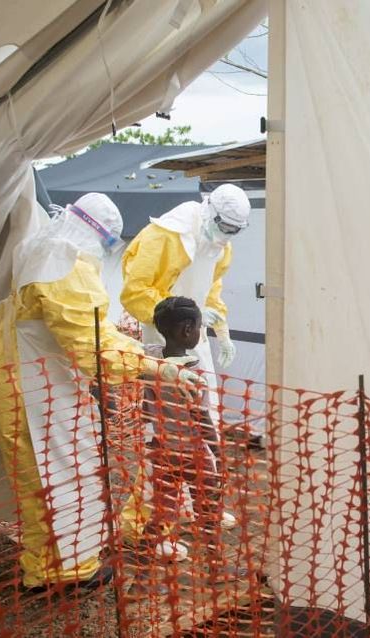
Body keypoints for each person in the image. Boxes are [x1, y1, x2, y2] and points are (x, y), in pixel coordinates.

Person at [0, 193, 201, 591]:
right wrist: (151, 365)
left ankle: (55, 565)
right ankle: (61, 574)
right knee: (59, 474)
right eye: (110, 243)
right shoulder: (64, 261)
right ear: (98, 234)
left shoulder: (41, 247)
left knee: (51, 476)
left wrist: (141, 357)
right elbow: (89, 341)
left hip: (27, 373)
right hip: (33, 385)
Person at [119, 184, 251, 537]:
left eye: (233, 232)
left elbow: (213, 291)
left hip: (196, 335)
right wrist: (176, 322)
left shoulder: (220, 244)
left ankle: (204, 507)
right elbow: (134, 292)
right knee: (165, 435)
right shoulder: (167, 234)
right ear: (210, 212)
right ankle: (149, 523)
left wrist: (219, 330)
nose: (226, 237)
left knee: (207, 418)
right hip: (164, 337)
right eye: (224, 228)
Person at [137, 297, 234, 582]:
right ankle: (217, 569)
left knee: (161, 516)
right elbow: (201, 419)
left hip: (162, 449)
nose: (201, 333)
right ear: (187, 329)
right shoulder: (194, 370)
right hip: (193, 453)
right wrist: (219, 453)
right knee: (209, 511)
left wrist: (149, 433)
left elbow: (146, 406)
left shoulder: (151, 359)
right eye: (200, 328)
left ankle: (141, 579)